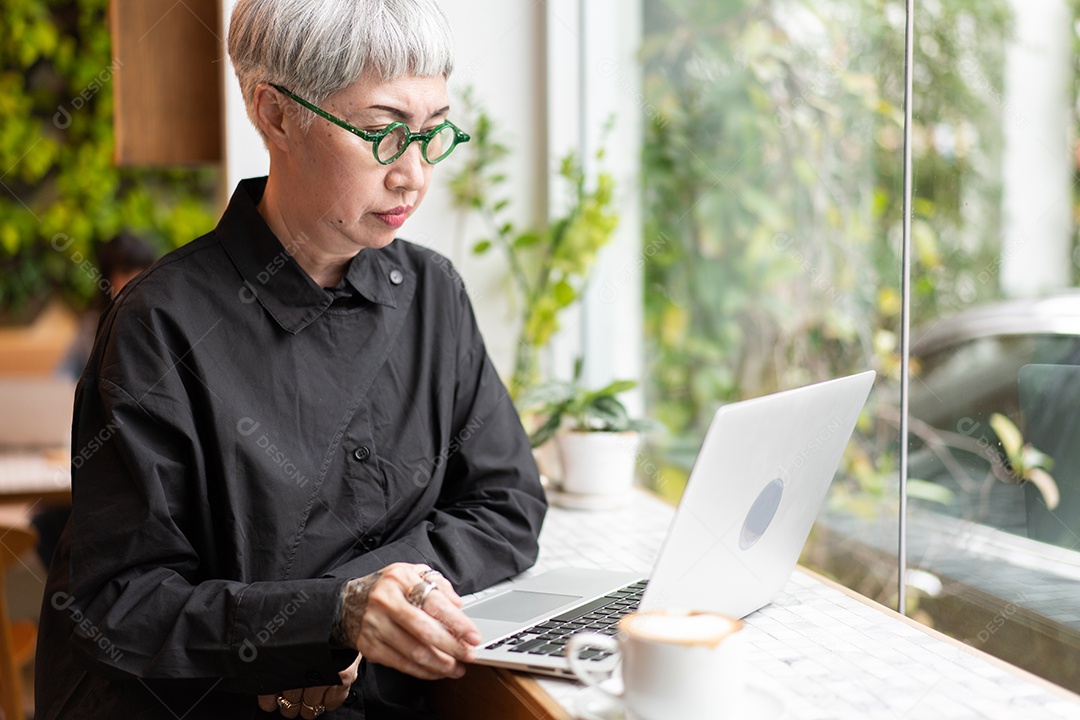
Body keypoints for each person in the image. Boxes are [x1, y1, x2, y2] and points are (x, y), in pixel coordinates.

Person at [35, 1, 547, 717]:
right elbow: (120, 601)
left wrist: (349, 613)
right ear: (275, 114)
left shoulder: (433, 295)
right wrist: (324, 619)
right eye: (381, 132)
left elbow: (506, 504)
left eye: (432, 132)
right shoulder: (162, 324)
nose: (413, 173)